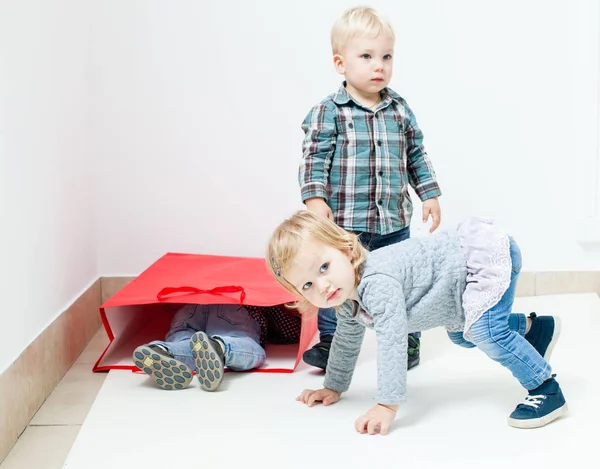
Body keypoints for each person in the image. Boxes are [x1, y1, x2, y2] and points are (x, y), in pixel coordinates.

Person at [266, 210, 567, 434]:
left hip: (481, 259)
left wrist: (387, 403)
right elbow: (346, 338)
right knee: (464, 336)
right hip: (457, 283)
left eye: (324, 267)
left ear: (345, 250)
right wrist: (333, 387)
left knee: (484, 330)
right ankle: (536, 330)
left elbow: (393, 341)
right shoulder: (345, 296)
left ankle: (546, 387)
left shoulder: (376, 283)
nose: (323, 286)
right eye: (307, 285)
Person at [299, 6, 441, 371]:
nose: (379, 65)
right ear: (340, 63)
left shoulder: (400, 110)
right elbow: (314, 160)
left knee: (405, 281)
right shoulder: (328, 112)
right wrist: (315, 199)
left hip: (394, 221)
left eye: (386, 56)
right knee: (337, 283)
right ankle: (332, 343)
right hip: (347, 224)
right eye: (366, 56)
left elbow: (416, 155)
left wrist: (429, 194)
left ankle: (408, 340)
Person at [133, 304, 300, 391]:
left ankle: (161, 351)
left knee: (185, 342)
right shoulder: (255, 294)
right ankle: (219, 347)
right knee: (243, 343)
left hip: (191, 308)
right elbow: (290, 330)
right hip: (233, 311)